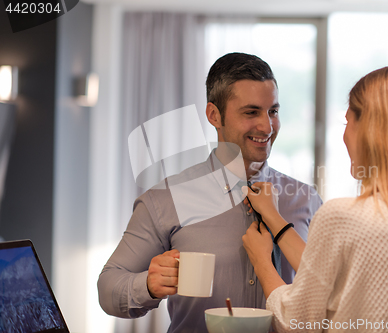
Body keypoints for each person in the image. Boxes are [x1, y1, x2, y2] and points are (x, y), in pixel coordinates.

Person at [97, 52, 322, 333]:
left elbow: (327, 294)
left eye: (273, 111)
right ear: (214, 115)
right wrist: (147, 285)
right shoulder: (164, 199)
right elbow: (108, 288)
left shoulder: (307, 200)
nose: (267, 126)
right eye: (251, 112)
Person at [242, 66, 388, 333]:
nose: (344, 136)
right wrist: (275, 220)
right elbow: (333, 279)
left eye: (348, 123)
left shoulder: (343, 216)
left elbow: (296, 322)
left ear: (371, 130)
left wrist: (262, 262)